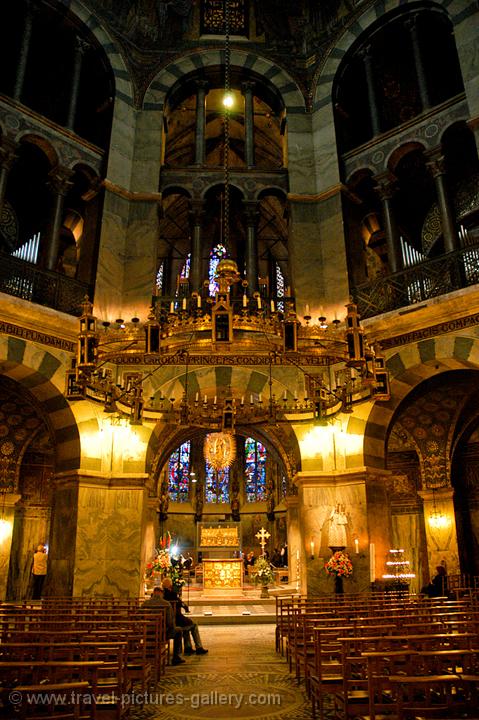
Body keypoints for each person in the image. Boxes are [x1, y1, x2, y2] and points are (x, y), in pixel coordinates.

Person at [161, 577, 208, 655]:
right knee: (193, 624)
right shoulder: (172, 595)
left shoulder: (161, 596)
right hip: (175, 620)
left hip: (163, 622)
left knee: (186, 625)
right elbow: (179, 604)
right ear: (170, 586)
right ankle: (198, 647)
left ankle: (188, 647)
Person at [142, 586, 185, 665]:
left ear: (153, 594)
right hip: (162, 633)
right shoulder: (166, 604)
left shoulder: (145, 604)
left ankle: (148, 650)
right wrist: (172, 627)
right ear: (162, 594)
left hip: (147, 632)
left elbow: (140, 618)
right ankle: (176, 657)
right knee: (178, 631)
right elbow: (170, 622)